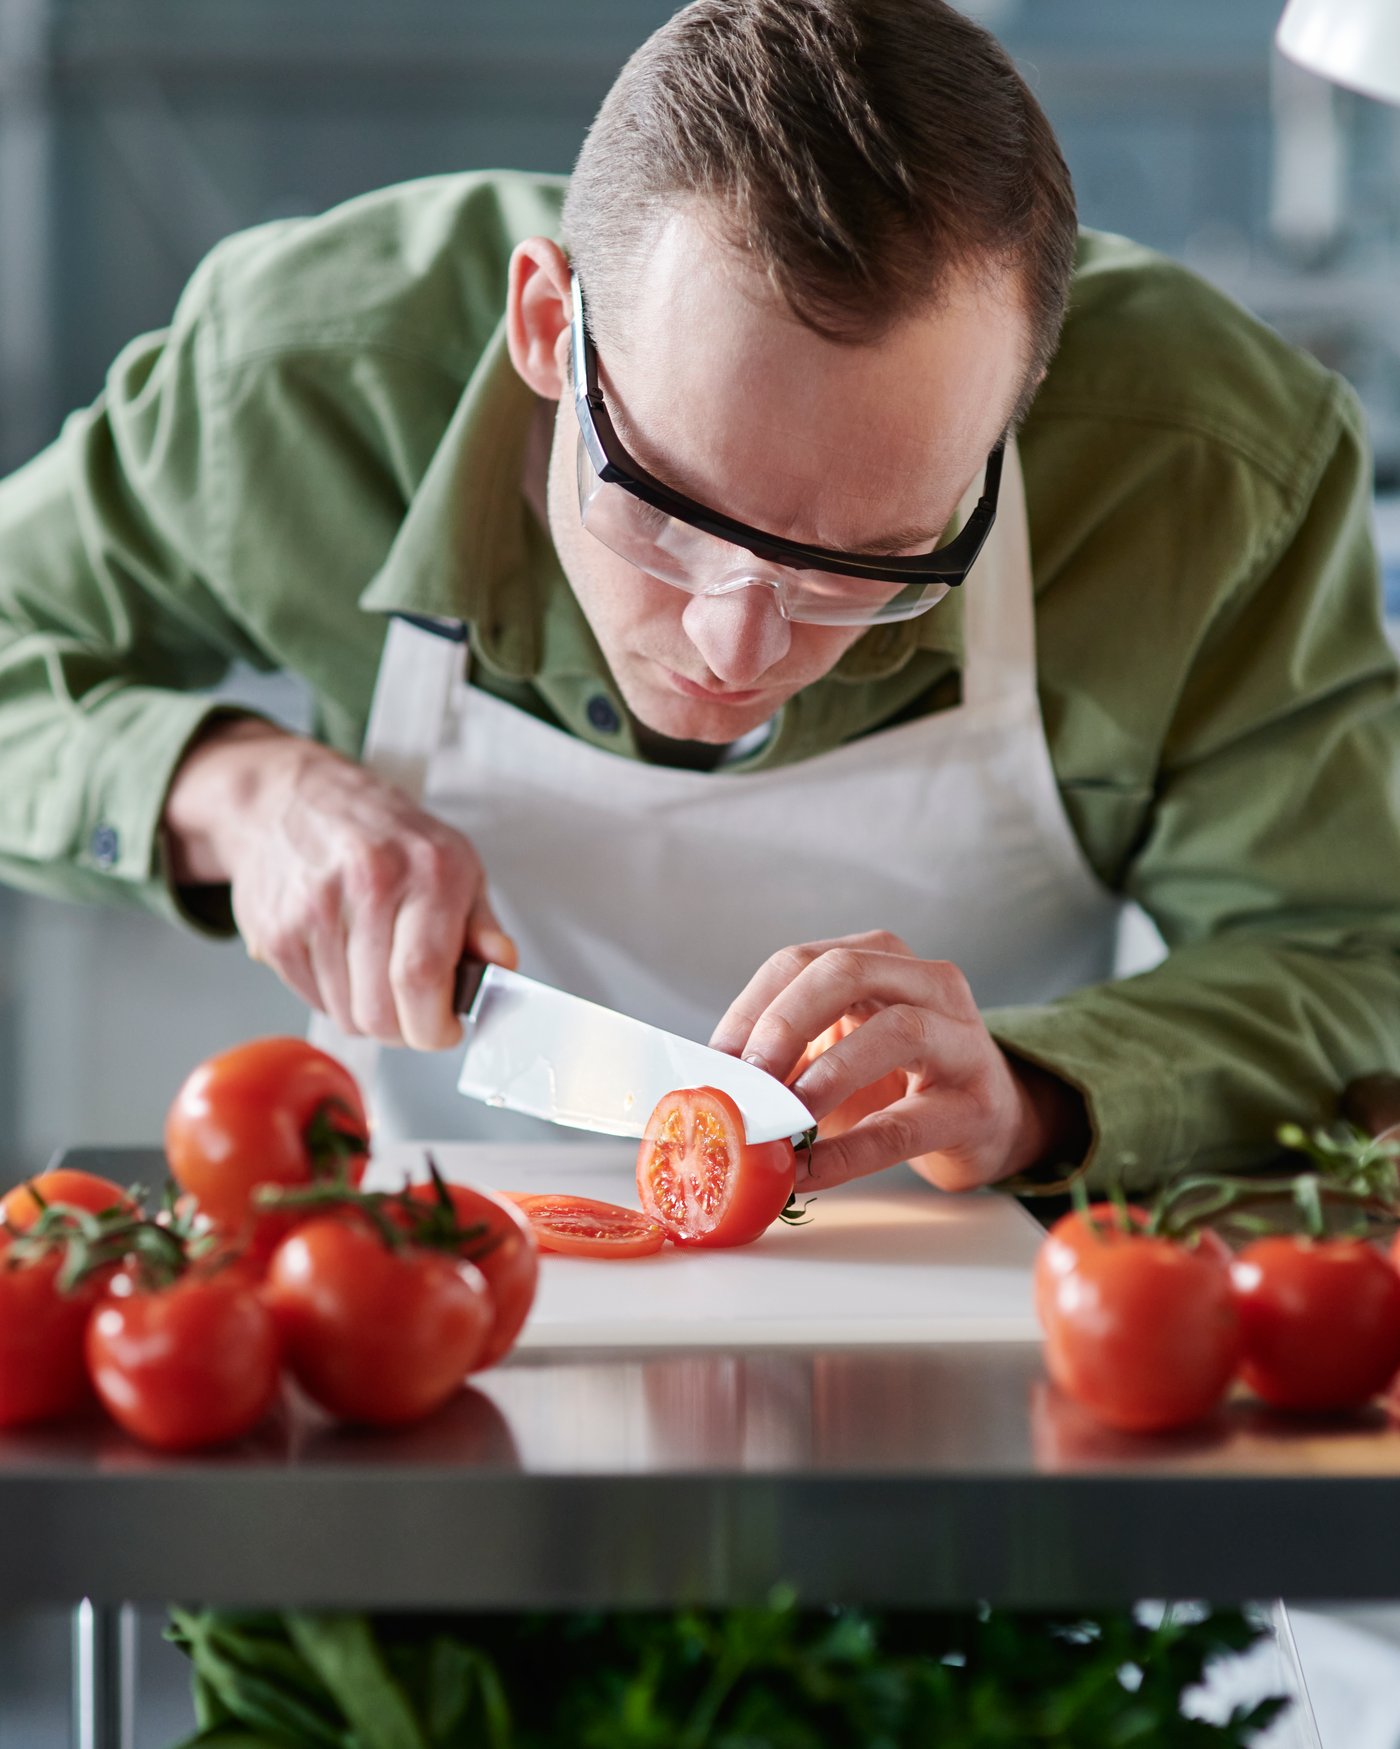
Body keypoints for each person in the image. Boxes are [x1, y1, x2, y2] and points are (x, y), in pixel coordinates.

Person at [1, 0, 1398, 1206]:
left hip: (967, 1324)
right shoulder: (303, 377)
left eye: (875, 558)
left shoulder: (1212, 468)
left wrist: (1036, 1091)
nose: (738, 643)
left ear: (1017, 426)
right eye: (667, 507)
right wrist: (234, 791)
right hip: (435, 1308)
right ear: (550, 328)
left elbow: (1357, 960)